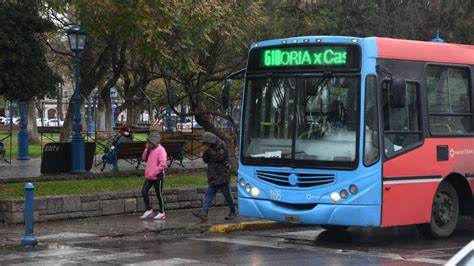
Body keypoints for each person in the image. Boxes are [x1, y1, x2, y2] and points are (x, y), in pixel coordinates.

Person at [192, 132, 236, 221]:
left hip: (222, 176)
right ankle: (204, 213)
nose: (206, 145)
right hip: (213, 176)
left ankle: (233, 211)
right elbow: (206, 160)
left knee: (227, 196)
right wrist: (204, 153)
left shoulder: (222, 145)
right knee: (208, 195)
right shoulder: (210, 148)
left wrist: (208, 150)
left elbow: (219, 157)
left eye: (207, 143)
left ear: (210, 141)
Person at [139, 131, 168, 220]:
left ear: (154, 142)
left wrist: (154, 172)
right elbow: (143, 158)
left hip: (157, 176)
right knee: (144, 191)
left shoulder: (161, 150)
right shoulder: (150, 149)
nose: (148, 144)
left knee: (159, 194)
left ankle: (162, 212)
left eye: (149, 143)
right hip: (149, 176)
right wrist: (146, 149)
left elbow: (162, 164)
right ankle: (149, 210)